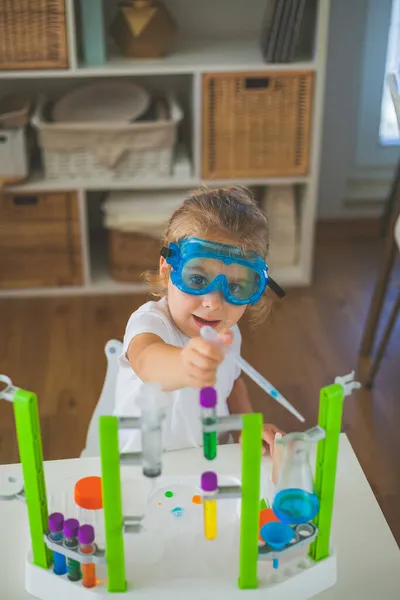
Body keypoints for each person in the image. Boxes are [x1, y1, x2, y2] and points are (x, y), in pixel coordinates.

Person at [114, 186, 285, 454]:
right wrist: (184, 364)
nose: (214, 303)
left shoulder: (228, 331)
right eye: (197, 280)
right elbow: (147, 361)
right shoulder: (150, 323)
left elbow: (233, 382)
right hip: (143, 464)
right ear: (167, 268)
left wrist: (246, 425)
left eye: (236, 287)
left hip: (208, 461)